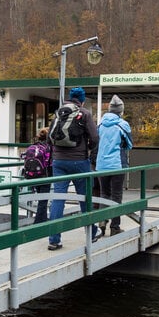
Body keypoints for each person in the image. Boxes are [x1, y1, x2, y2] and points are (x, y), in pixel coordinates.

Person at [47, 87, 99, 251]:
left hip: (58, 162)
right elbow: (95, 138)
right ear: (82, 100)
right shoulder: (85, 114)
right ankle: (91, 233)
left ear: (70, 98)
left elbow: (50, 137)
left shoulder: (59, 112)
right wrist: (88, 149)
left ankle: (54, 240)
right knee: (85, 198)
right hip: (79, 161)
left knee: (58, 199)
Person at [95, 94, 132, 237]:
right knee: (116, 195)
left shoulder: (100, 124)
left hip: (101, 165)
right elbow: (129, 144)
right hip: (117, 164)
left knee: (104, 193)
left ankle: (102, 223)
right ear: (121, 111)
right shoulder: (122, 125)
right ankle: (115, 227)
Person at [24, 127, 53, 224]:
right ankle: (39, 221)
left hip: (33, 175)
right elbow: (50, 162)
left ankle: (42, 218)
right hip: (45, 175)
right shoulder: (48, 147)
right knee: (43, 199)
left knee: (40, 197)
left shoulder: (33, 146)